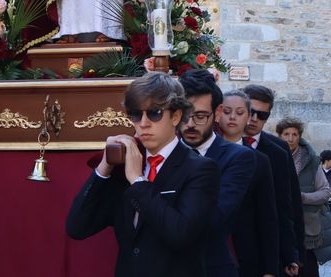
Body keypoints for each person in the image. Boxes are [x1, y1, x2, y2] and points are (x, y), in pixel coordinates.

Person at [66, 72, 220, 277]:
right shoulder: (123, 167)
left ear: (175, 116)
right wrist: (105, 166)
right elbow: (77, 227)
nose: (144, 123)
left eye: (154, 113)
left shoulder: (200, 169)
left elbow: (181, 234)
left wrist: (138, 181)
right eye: (136, 114)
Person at [179, 70, 255, 277]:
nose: (191, 124)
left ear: (218, 112)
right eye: (184, 115)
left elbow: (215, 219)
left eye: (200, 116)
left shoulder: (238, 158)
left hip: (209, 268)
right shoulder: (162, 152)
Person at [242, 84, 303, 276]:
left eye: (262, 115)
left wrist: (292, 253)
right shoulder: (221, 143)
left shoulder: (278, 150)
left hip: (266, 245)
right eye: (251, 112)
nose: (254, 119)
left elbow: (288, 204)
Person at [218, 90, 279, 277]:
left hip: (246, 254)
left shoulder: (259, 161)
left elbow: (267, 216)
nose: (232, 118)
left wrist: (270, 268)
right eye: (227, 111)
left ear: (247, 117)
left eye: (239, 112)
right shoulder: (201, 155)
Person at [276, 117, 331, 277]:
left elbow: (325, 192)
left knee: (307, 270)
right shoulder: (272, 156)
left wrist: (302, 197)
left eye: (294, 134)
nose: (290, 138)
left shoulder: (312, 161)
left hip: (306, 228)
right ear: (279, 136)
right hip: (279, 225)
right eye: (286, 134)